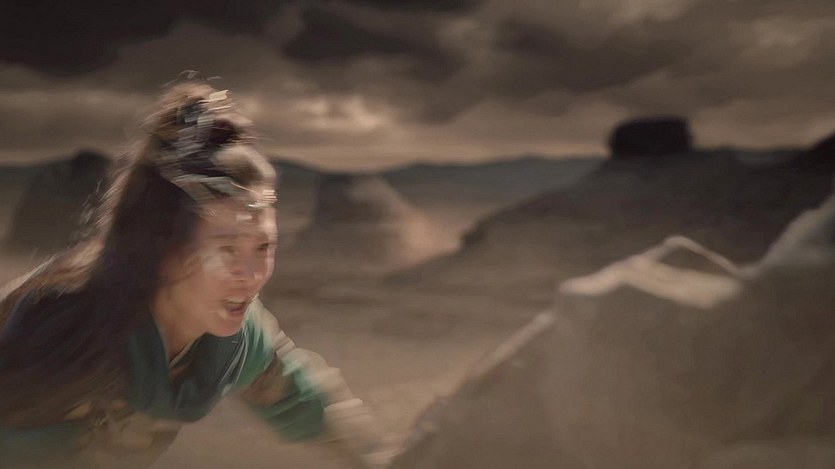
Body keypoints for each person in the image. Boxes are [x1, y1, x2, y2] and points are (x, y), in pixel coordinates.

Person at [0, 83, 394, 468]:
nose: (251, 275)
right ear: (162, 252)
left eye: (263, 247)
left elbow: (304, 403)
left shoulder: (237, 339)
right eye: (226, 250)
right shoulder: (64, 331)